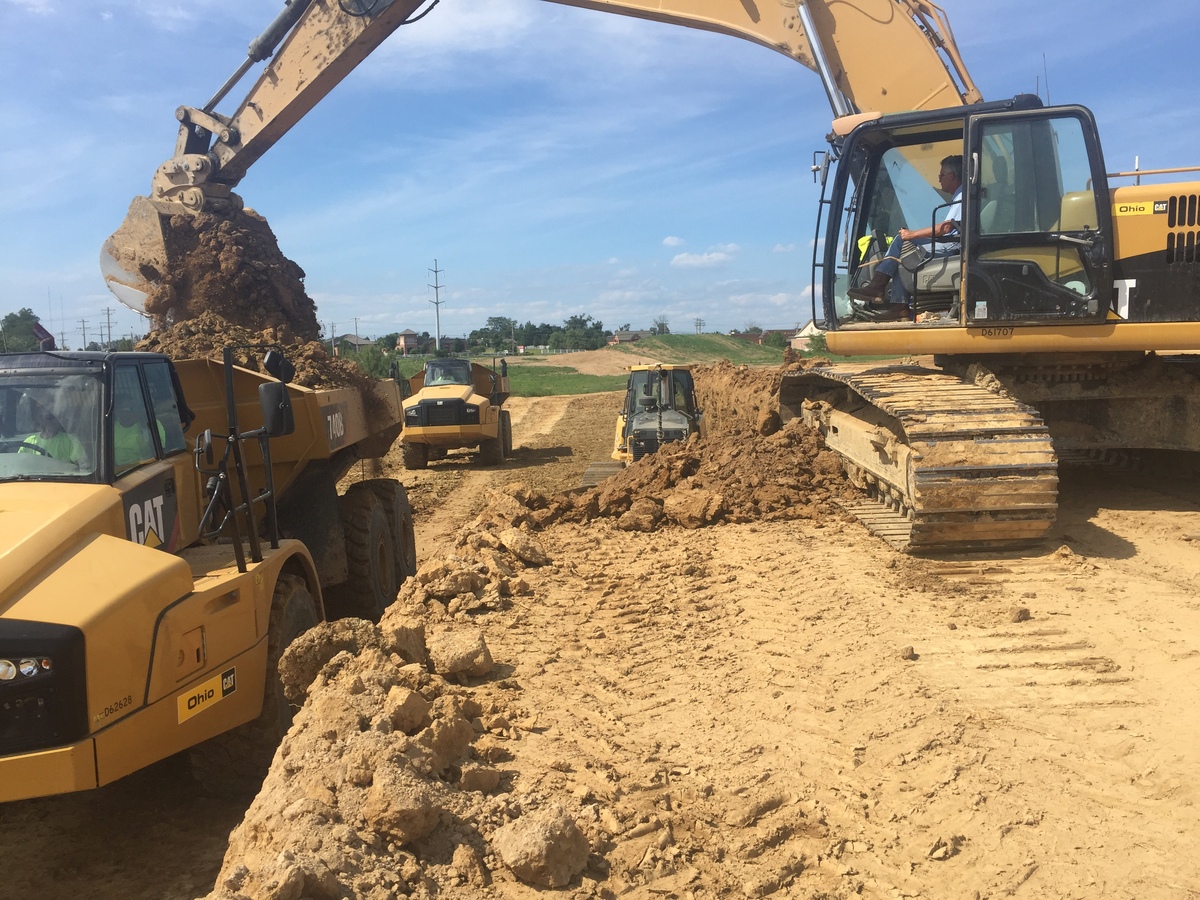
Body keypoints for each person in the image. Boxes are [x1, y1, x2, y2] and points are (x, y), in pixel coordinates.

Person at [849, 155, 963, 306]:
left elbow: (947, 227)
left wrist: (912, 234)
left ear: (952, 176)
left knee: (905, 249)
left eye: (941, 175)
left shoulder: (963, 195)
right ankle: (888, 295)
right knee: (902, 240)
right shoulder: (960, 195)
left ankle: (884, 291)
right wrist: (909, 236)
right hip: (951, 242)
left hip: (953, 245)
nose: (939, 179)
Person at [19, 400, 86, 466]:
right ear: (38, 419)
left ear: (59, 419)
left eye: (51, 417)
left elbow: (84, 467)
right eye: (43, 417)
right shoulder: (28, 443)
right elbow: (18, 467)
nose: (48, 422)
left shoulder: (71, 442)